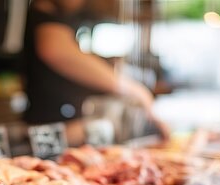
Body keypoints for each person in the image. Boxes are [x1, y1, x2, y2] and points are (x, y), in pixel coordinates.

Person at [22, 0, 170, 144]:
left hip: (65, 131)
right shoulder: (42, 12)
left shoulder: (63, 16)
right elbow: (55, 50)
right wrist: (132, 89)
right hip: (48, 134)